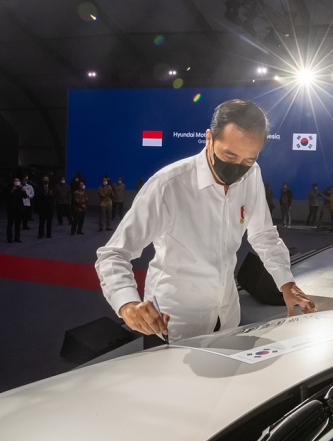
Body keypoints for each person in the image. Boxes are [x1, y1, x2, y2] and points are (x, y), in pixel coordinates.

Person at [95, 99, 315, 342]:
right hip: (174, 322)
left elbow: (263, 234)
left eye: (248, 160)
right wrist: (127, 304)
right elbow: (114, 254)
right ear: (209, 138)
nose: (237, 168)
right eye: (229, 155)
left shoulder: (252, 175)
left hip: (228, 315)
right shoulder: (169, 185)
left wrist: (286, 282)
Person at [6, 177, 26, 243]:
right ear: (13, 182)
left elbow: (25, 196)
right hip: (11, 208)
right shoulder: (9, 187)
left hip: (19, 208)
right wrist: (12, 190)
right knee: (10, 224)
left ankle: (17, 238)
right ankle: (9, 238)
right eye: (15, 181)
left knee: (18, 224)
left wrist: (24, 191)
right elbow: (7, 196)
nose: (17, 182)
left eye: (18, 181)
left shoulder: (20, 188)